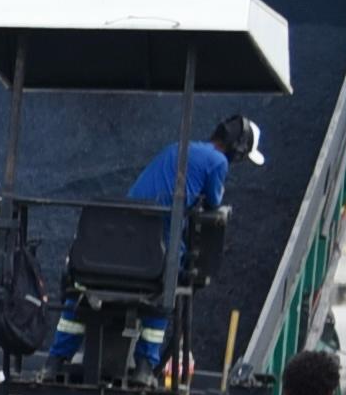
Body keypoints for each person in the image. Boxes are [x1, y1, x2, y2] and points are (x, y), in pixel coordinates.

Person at [45, 111, 261, 379]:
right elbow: (214, 202)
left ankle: (54, 361)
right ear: (238, 150)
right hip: (155, 242)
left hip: (114, 241)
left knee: (79, 296)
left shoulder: (178, 147)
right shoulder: (218, 161)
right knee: (167, 289)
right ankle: (145, 366)